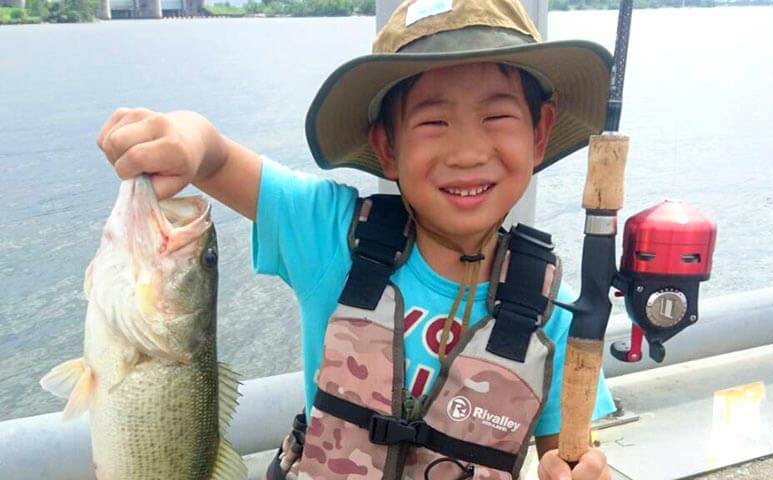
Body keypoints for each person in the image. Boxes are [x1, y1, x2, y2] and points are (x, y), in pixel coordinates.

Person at [95, 0, 618, 478]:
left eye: (497, 116)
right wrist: (182, 141)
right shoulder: (330, 235)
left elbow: (566, 451)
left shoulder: (554, 318)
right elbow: (215, 156)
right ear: (386, 147)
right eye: (434, 120)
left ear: (540, 131)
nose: (466, 151)